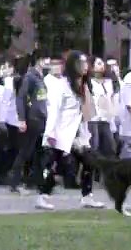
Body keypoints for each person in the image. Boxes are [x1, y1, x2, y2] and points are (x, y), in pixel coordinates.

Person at [38, 52, 102, 210]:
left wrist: (86, 134)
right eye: (82, 63)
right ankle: (42, 196)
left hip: (77, 134)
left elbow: (85, 114)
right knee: (53, 165)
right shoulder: (62, 85)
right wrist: (50, 134)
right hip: (61, 133)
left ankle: (87, 196)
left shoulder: (84, 86)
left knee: (89, 161)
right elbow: (54, 110)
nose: (86, 66)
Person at [7, 54, 48, 193]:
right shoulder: (30, 77)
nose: (47, 62)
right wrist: (22, 119)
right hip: (32, 118)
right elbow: (21, 97)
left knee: (37, 152)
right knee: (25, 151)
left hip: (41, 118)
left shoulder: (41, 77)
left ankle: (34, 181)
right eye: (44, 59)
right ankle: (15, 182)